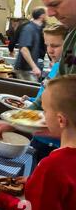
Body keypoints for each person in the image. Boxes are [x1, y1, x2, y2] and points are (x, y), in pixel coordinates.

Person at [0, 0, 76, 139]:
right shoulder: (72, 36)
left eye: (55, 4)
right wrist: (15, 121)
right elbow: (58, 87)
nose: (50, 13)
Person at [0, 75, 76, 210]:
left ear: (60, 120)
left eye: (44, 111)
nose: (42, 116)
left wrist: (5, 201)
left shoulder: (52, 165)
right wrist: (33, 183)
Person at [21, 24, 68, 162]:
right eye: (47, 45)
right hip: (39, 137)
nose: (50, 50)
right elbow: (44, 97)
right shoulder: (56, 66)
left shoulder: (64, 70)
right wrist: (31, 99)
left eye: (55, 46)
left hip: (51, 144)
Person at [14, 7, 47, 82]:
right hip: (24, 69)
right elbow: (23, 49)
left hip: (29, 69)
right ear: (42, 16)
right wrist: (34, 67)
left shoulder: (37, 28)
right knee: (30, 92)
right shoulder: (29, 28)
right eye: (46, 14)